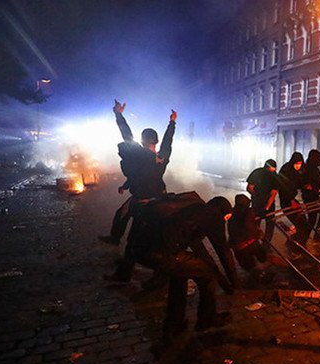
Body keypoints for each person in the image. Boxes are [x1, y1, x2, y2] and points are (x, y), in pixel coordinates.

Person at [118, 194, 239, 339]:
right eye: (226, 217)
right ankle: (207, 319)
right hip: (163, 253)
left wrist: (225, 282)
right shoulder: (213, 215)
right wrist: (235, 281)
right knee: (208, 276)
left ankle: (173, 327)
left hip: (142, 250)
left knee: (180, 276)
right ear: (222, 211)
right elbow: (223, 251)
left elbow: (200, 251)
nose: (225, 221)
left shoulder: (195, 212)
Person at [99, 100, 176, 245]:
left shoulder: (138, 154)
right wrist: (172, 123)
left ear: (142, 141)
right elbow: (168, 141)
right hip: (159, 195)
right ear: (156, 141)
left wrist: (118, 114)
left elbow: (126, 134)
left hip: (141, 197)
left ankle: (116, 239)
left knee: (122, 214)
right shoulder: (162, 156)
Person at [228, 194, 269, 281]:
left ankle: (258, 278)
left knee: (250, 268)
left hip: (238, 247)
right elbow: (249, 225)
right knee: (267, 259)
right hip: (250, 243)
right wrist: (258, 233)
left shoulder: (231, 214)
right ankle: (290, 267)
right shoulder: (249, 211)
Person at [277, 152, 310, 244]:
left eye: (300, 164)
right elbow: (284, 187)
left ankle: (294, 243)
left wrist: (304, 185)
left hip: (292, 200)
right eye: (296, 163)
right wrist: (291, 200)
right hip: (287, 201)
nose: (298, 166)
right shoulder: (286, 170)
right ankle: (295, 245)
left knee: (304, 224)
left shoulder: (296, 173)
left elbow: (297, 183)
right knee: (302, 224)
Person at [246, 159, 280, 243]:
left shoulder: (256, 172)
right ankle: (266, 243)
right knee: (270, 224)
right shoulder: (274, 176)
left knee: (255, 222)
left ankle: (254, 241)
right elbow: (274, 193)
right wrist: (267, 206)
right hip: (269, 204)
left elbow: (249, 187)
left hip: (257, 202)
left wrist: (255, 196)